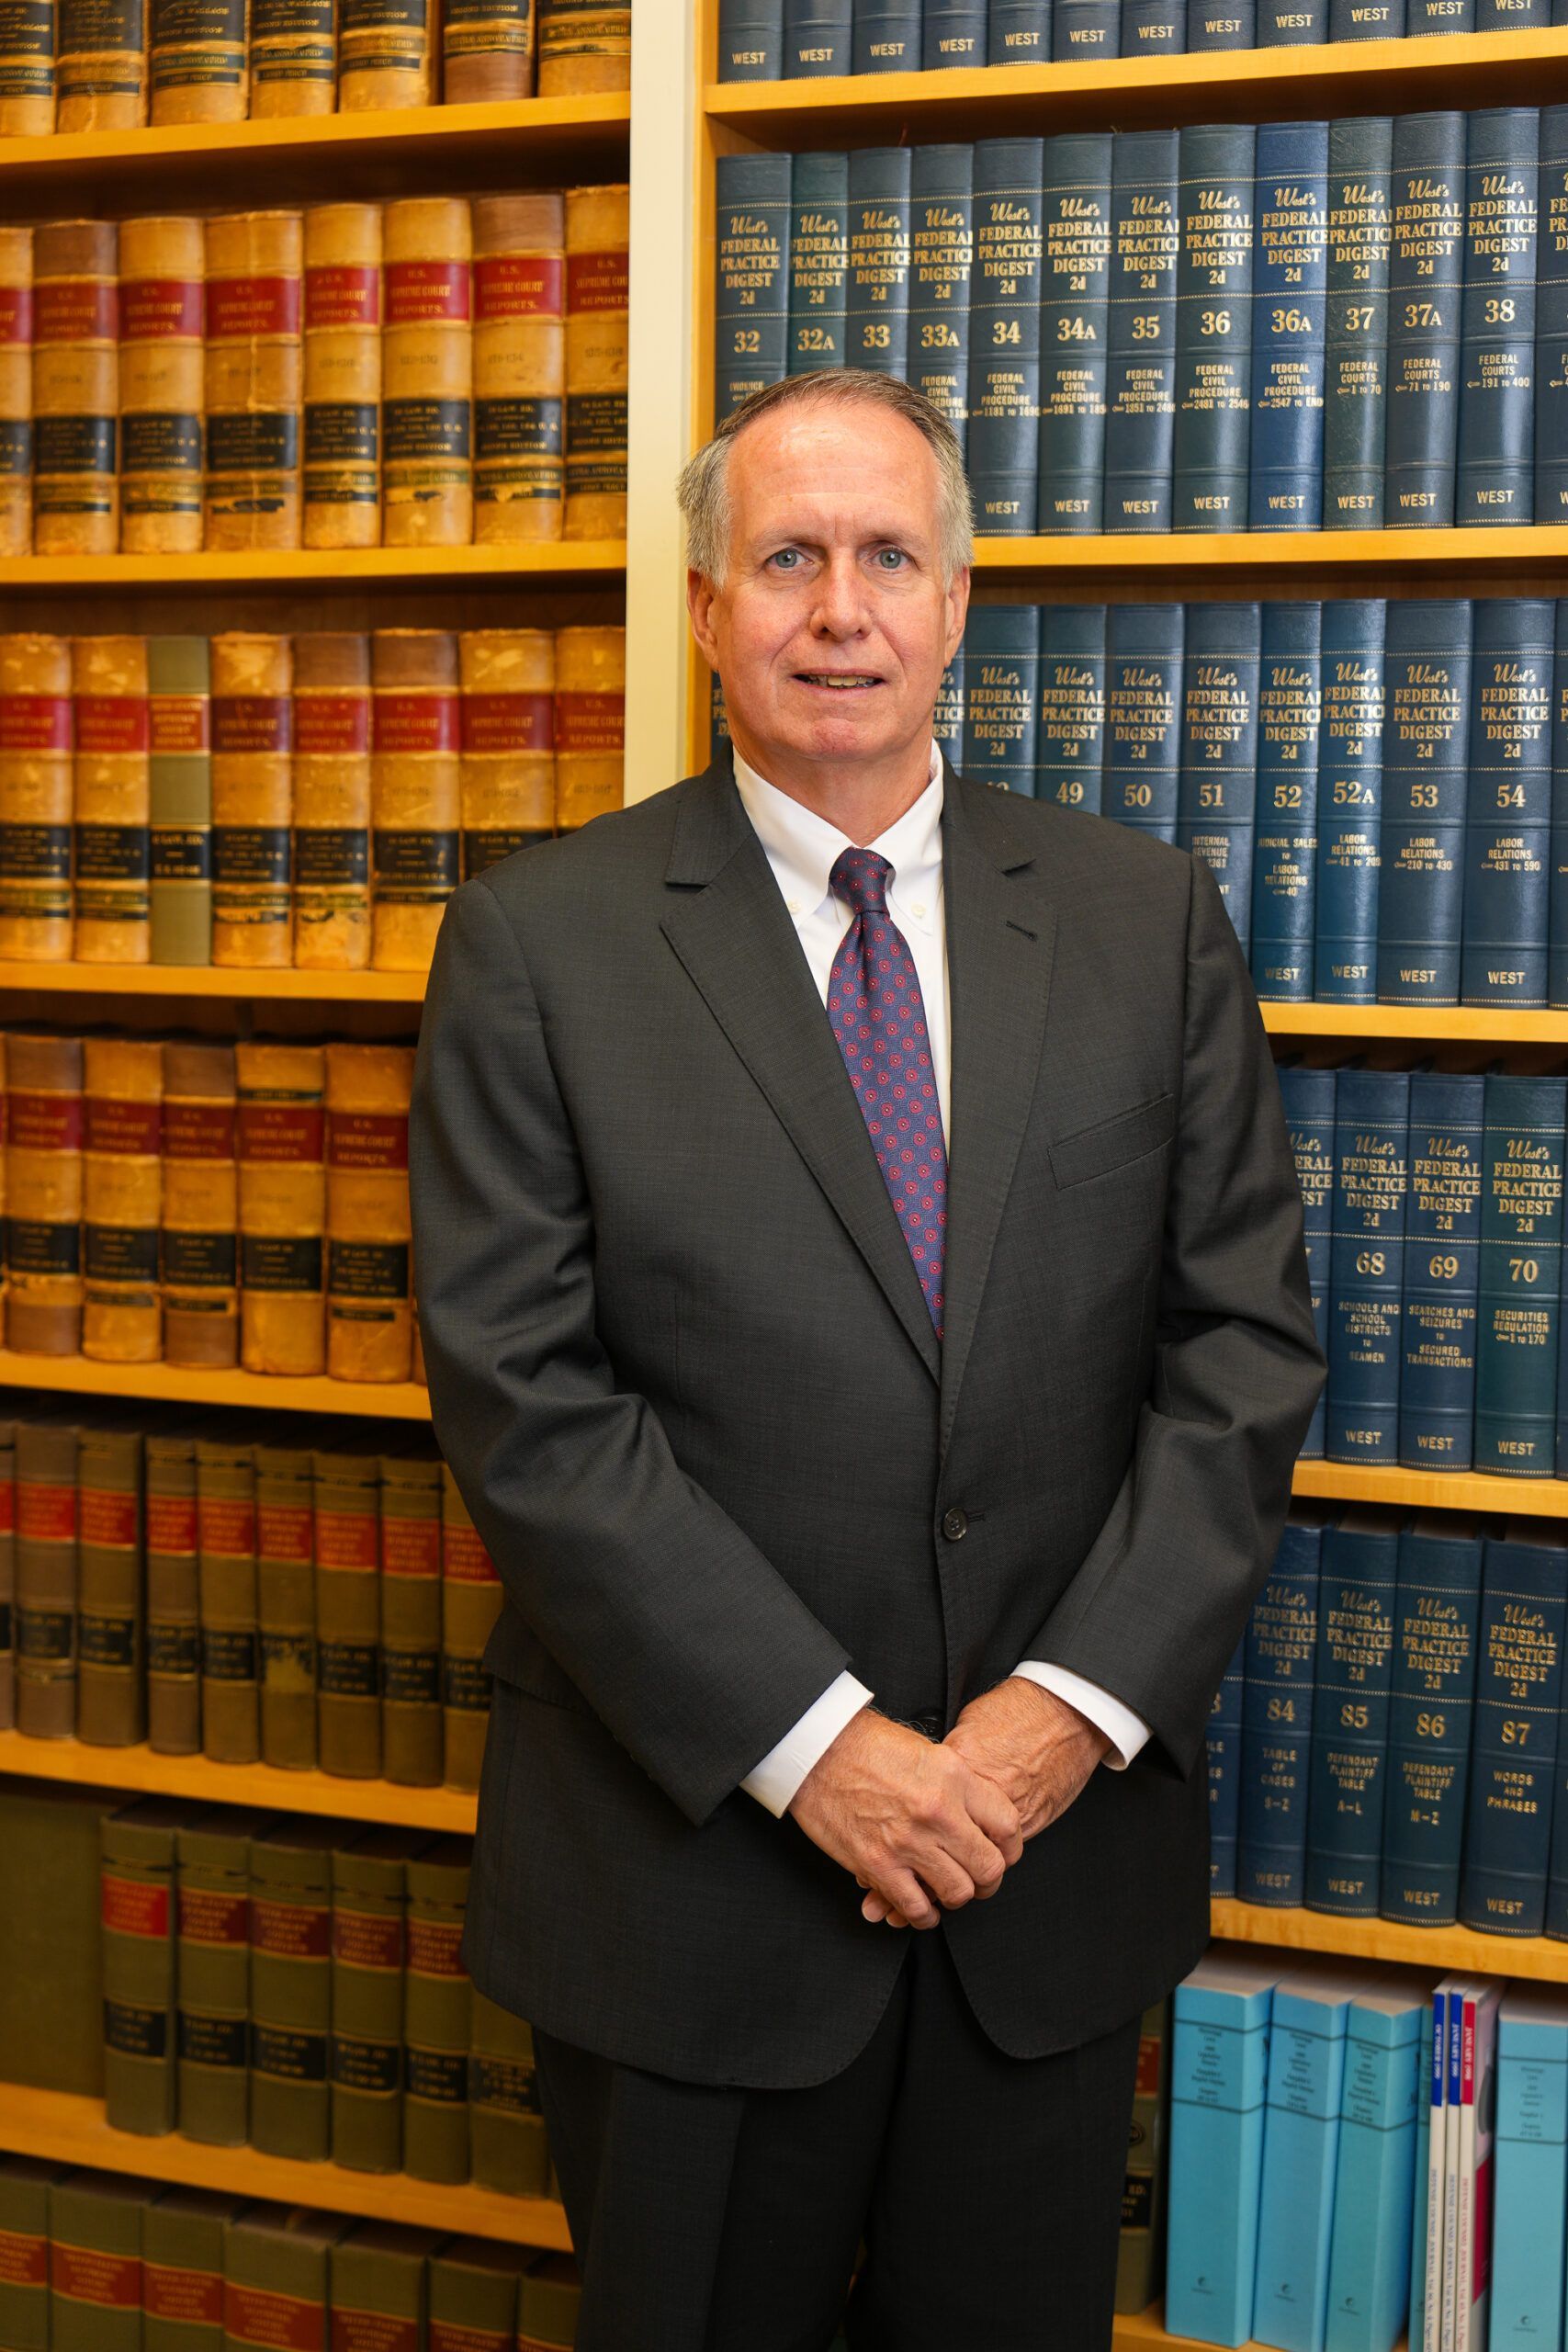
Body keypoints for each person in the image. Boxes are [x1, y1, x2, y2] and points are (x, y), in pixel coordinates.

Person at [408, 368, 1326, 2352]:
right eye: (788, 558)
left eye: (887, 555)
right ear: (704, 606)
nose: (841, 607)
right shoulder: (537, 941)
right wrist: (822, 1749)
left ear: (957, 599)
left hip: (1041, 1877)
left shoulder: (1139, 919)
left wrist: (1051, 1724)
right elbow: (523, 1396)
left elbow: (1240, 1344)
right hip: (689, 1899)